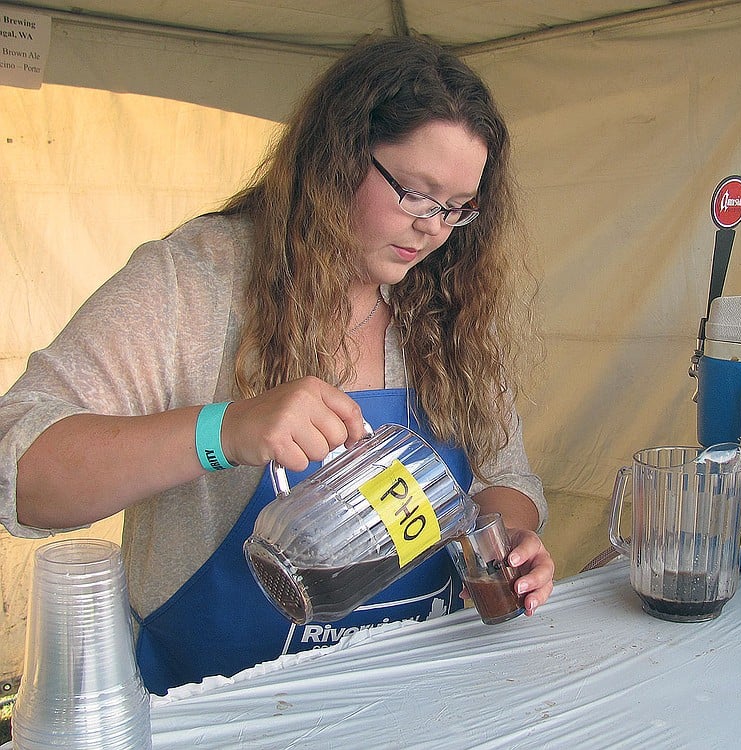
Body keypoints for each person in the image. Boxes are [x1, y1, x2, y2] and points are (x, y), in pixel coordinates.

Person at [0, 35, 554, 695]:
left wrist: (507, 538)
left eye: (457, 207)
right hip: (217, 708)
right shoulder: (195, 284)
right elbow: (20, 470)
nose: (433, 229)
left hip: (412, 689)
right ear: (336, 158)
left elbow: (504, 474)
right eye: (415, 192)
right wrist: (221, 431)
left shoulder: (446, 309)